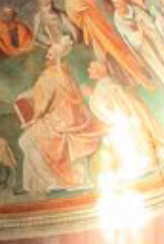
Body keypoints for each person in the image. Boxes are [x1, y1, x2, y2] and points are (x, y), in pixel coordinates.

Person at [17, 41, 106, 193]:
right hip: (71, 117)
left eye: (50, 53)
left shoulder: (50, 74)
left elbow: (43, 101)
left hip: (59, 120)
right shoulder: (64, 73)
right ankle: (47, 182)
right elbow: (43, 92)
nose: (47, 56)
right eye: (48, 52)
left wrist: (33, 116)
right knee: (29, 141)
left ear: (57, 57)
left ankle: (52, 181)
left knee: (26, 141)